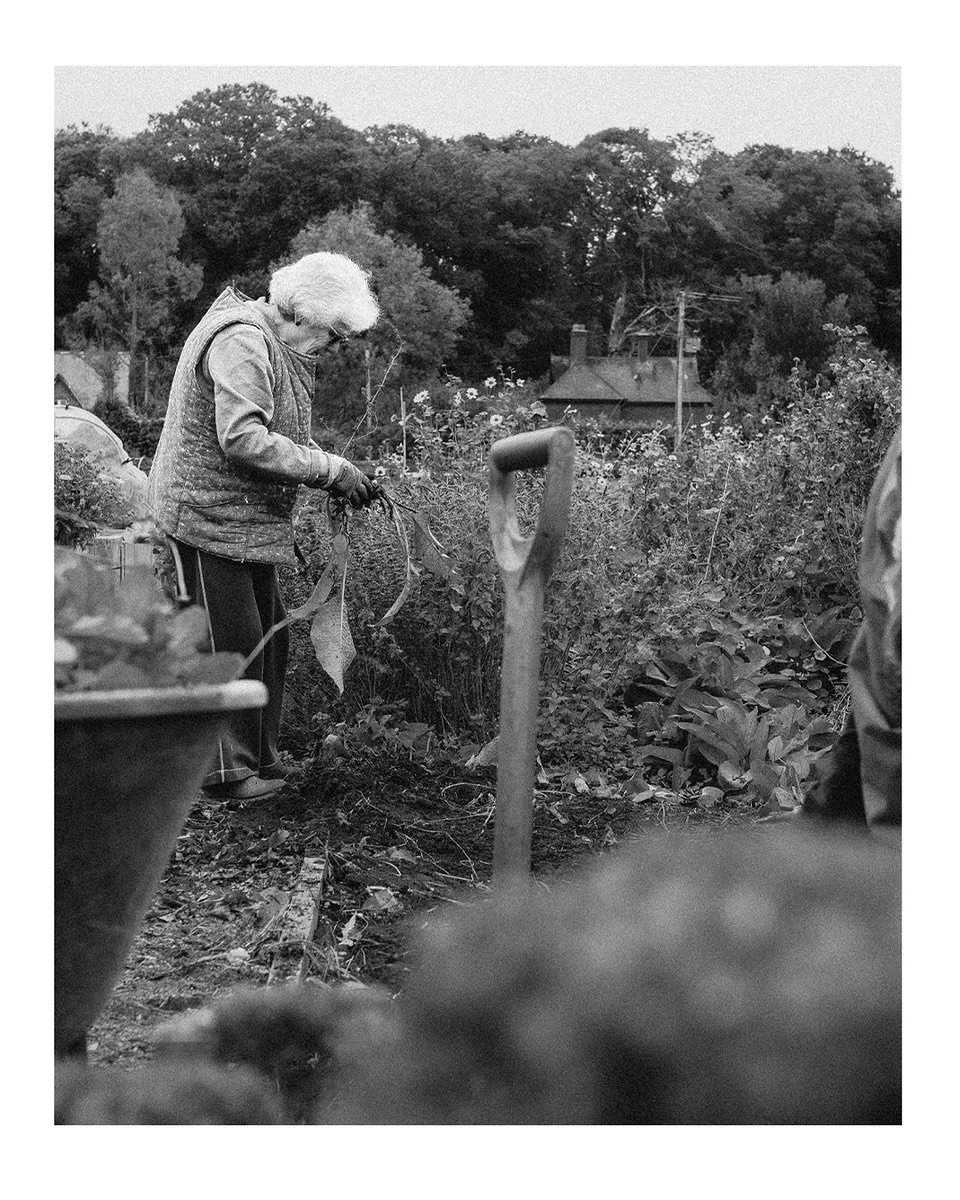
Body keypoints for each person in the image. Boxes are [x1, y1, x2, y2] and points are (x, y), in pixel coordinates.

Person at [148, 252, 382, 802]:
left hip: (240, 521)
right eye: (336, 334)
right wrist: (329, 468)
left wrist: (325, 466)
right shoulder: (242, 340)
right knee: (229, 645)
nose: (336, 346)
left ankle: (259, 759)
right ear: (301, 315)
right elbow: (243, 438)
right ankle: (223, 776)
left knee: (269, 640)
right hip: (203, 517)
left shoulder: (271, 339)